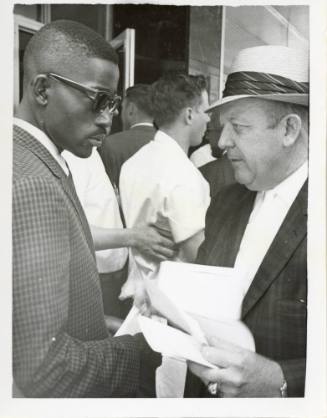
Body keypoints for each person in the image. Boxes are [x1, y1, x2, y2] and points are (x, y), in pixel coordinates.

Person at [13, 19, 160, 398]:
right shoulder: (32, 182)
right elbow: (44, 368)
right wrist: (143, 352)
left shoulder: (35, 160)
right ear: (43, 89)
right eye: (98, 99)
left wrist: (101, 325)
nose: (108, 119)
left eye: (113, 104)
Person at [185, 45, 309, 398]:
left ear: (289, 130)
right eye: (224, 127)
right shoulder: (224, 199)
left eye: (238, 127)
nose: (222, 142)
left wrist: (282, 380)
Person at [119, 73, 211, 300]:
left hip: (138, 292)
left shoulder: (133, 163)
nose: (208, 120)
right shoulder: (184, 175)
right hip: (172, 301)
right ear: (189, 115)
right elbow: (198, 254)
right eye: (205, 111)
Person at [63, 148, 176, 320]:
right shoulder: (72, 156)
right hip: (94, 279)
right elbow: (70, 231)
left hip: (111, 277)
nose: (105, 121)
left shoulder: (89, 153)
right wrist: (134, 237)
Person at [99, 83, 156, 190]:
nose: (119, 113)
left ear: (131, 109)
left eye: (122, 108)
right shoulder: (167, 143)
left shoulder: (111, 144)